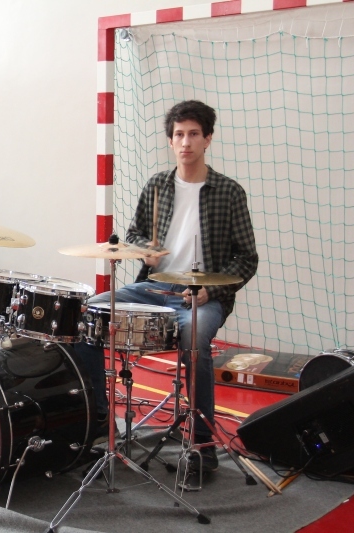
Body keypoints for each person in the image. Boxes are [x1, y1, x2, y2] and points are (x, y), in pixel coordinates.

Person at [75, 100, 258, 472]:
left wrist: (212, 292)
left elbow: (246, 258)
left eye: (193, 134)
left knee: (194, 340)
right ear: (170, 140)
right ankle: (100, 422)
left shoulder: (229, 192)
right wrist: (146, 251)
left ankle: (202, 445)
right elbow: (134, 235)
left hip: (200, 297)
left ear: (208, 139)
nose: (185, 142)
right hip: (153, 289)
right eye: (179, 135)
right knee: (85, 314)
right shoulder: (157, 185)